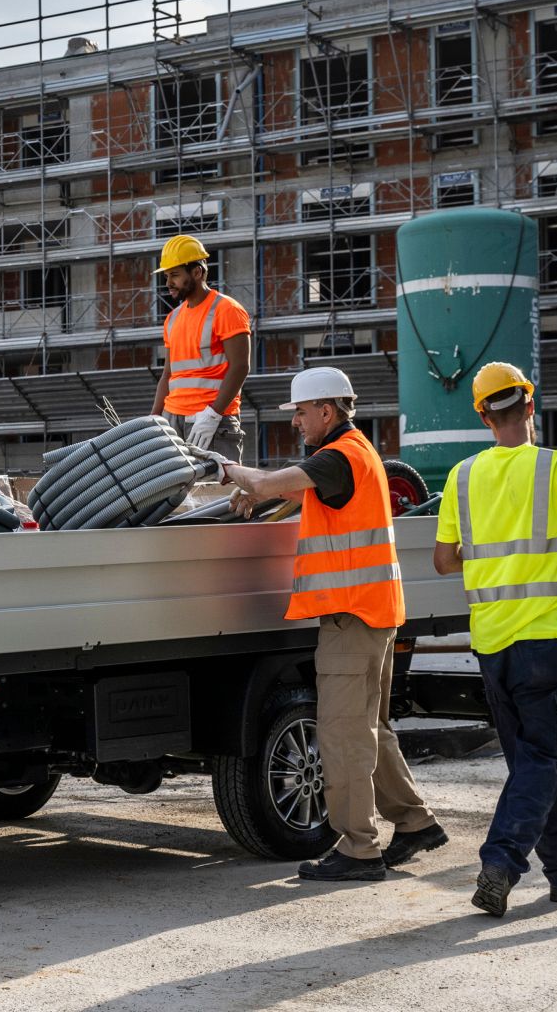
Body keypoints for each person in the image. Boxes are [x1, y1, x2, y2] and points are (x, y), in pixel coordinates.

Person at [221, 365, 447, 881]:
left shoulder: (338, 456)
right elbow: (300, 496)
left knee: (343, 735)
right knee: (369, 729)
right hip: (374, 613)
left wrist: (228, 473)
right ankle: (414, 822)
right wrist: (261, 493)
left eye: (300, 413)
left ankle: (359, 849)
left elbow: (270, 480)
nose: (296, 422)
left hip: (351, 617)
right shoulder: (356, 453)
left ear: (326, 410)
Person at [433, 361, 557, 917]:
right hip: (543, 637)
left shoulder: (461, 476)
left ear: (484, 416)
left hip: (490, 642)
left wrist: (489, 551)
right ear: (530, 407)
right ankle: (502, 861)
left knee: (533, 763)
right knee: (541, 760)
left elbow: (443, 561)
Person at [151, 235, 250, 461]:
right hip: (173, 419)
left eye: (175, 275)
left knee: (219, 492)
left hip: (213, 419)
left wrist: (214, 414)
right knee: (177, 494)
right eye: (166, 276)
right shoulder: (172, 319)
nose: (168, 283)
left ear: (197, 272)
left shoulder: (227, 310)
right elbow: (168, 375)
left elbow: (240, 367)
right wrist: (154, 420)